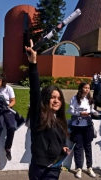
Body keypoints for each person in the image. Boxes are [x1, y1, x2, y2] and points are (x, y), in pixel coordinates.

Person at [25, 40, 70, 180]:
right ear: (45, 99)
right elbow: (34, 92)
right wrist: (33, 64)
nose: (56, 101)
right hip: (40, 169)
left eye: (59, 98)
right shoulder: (39, 115)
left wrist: (63, 147)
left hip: (54, 168)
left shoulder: (60, 119)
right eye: (52, 98)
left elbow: (58, 140)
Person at [68, 82, 97, 178]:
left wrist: (95, 112)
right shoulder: (75, 98)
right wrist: (80, 113)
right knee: (78, 147)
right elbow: (70, 110)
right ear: (81, 88)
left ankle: (89, 167)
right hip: (77, 126)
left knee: (88, 147)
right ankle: (78, 168)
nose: (87, 89)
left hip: (88, 126)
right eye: (85, 87)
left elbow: (91, 110)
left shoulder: (90, 99)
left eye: (88, 88)